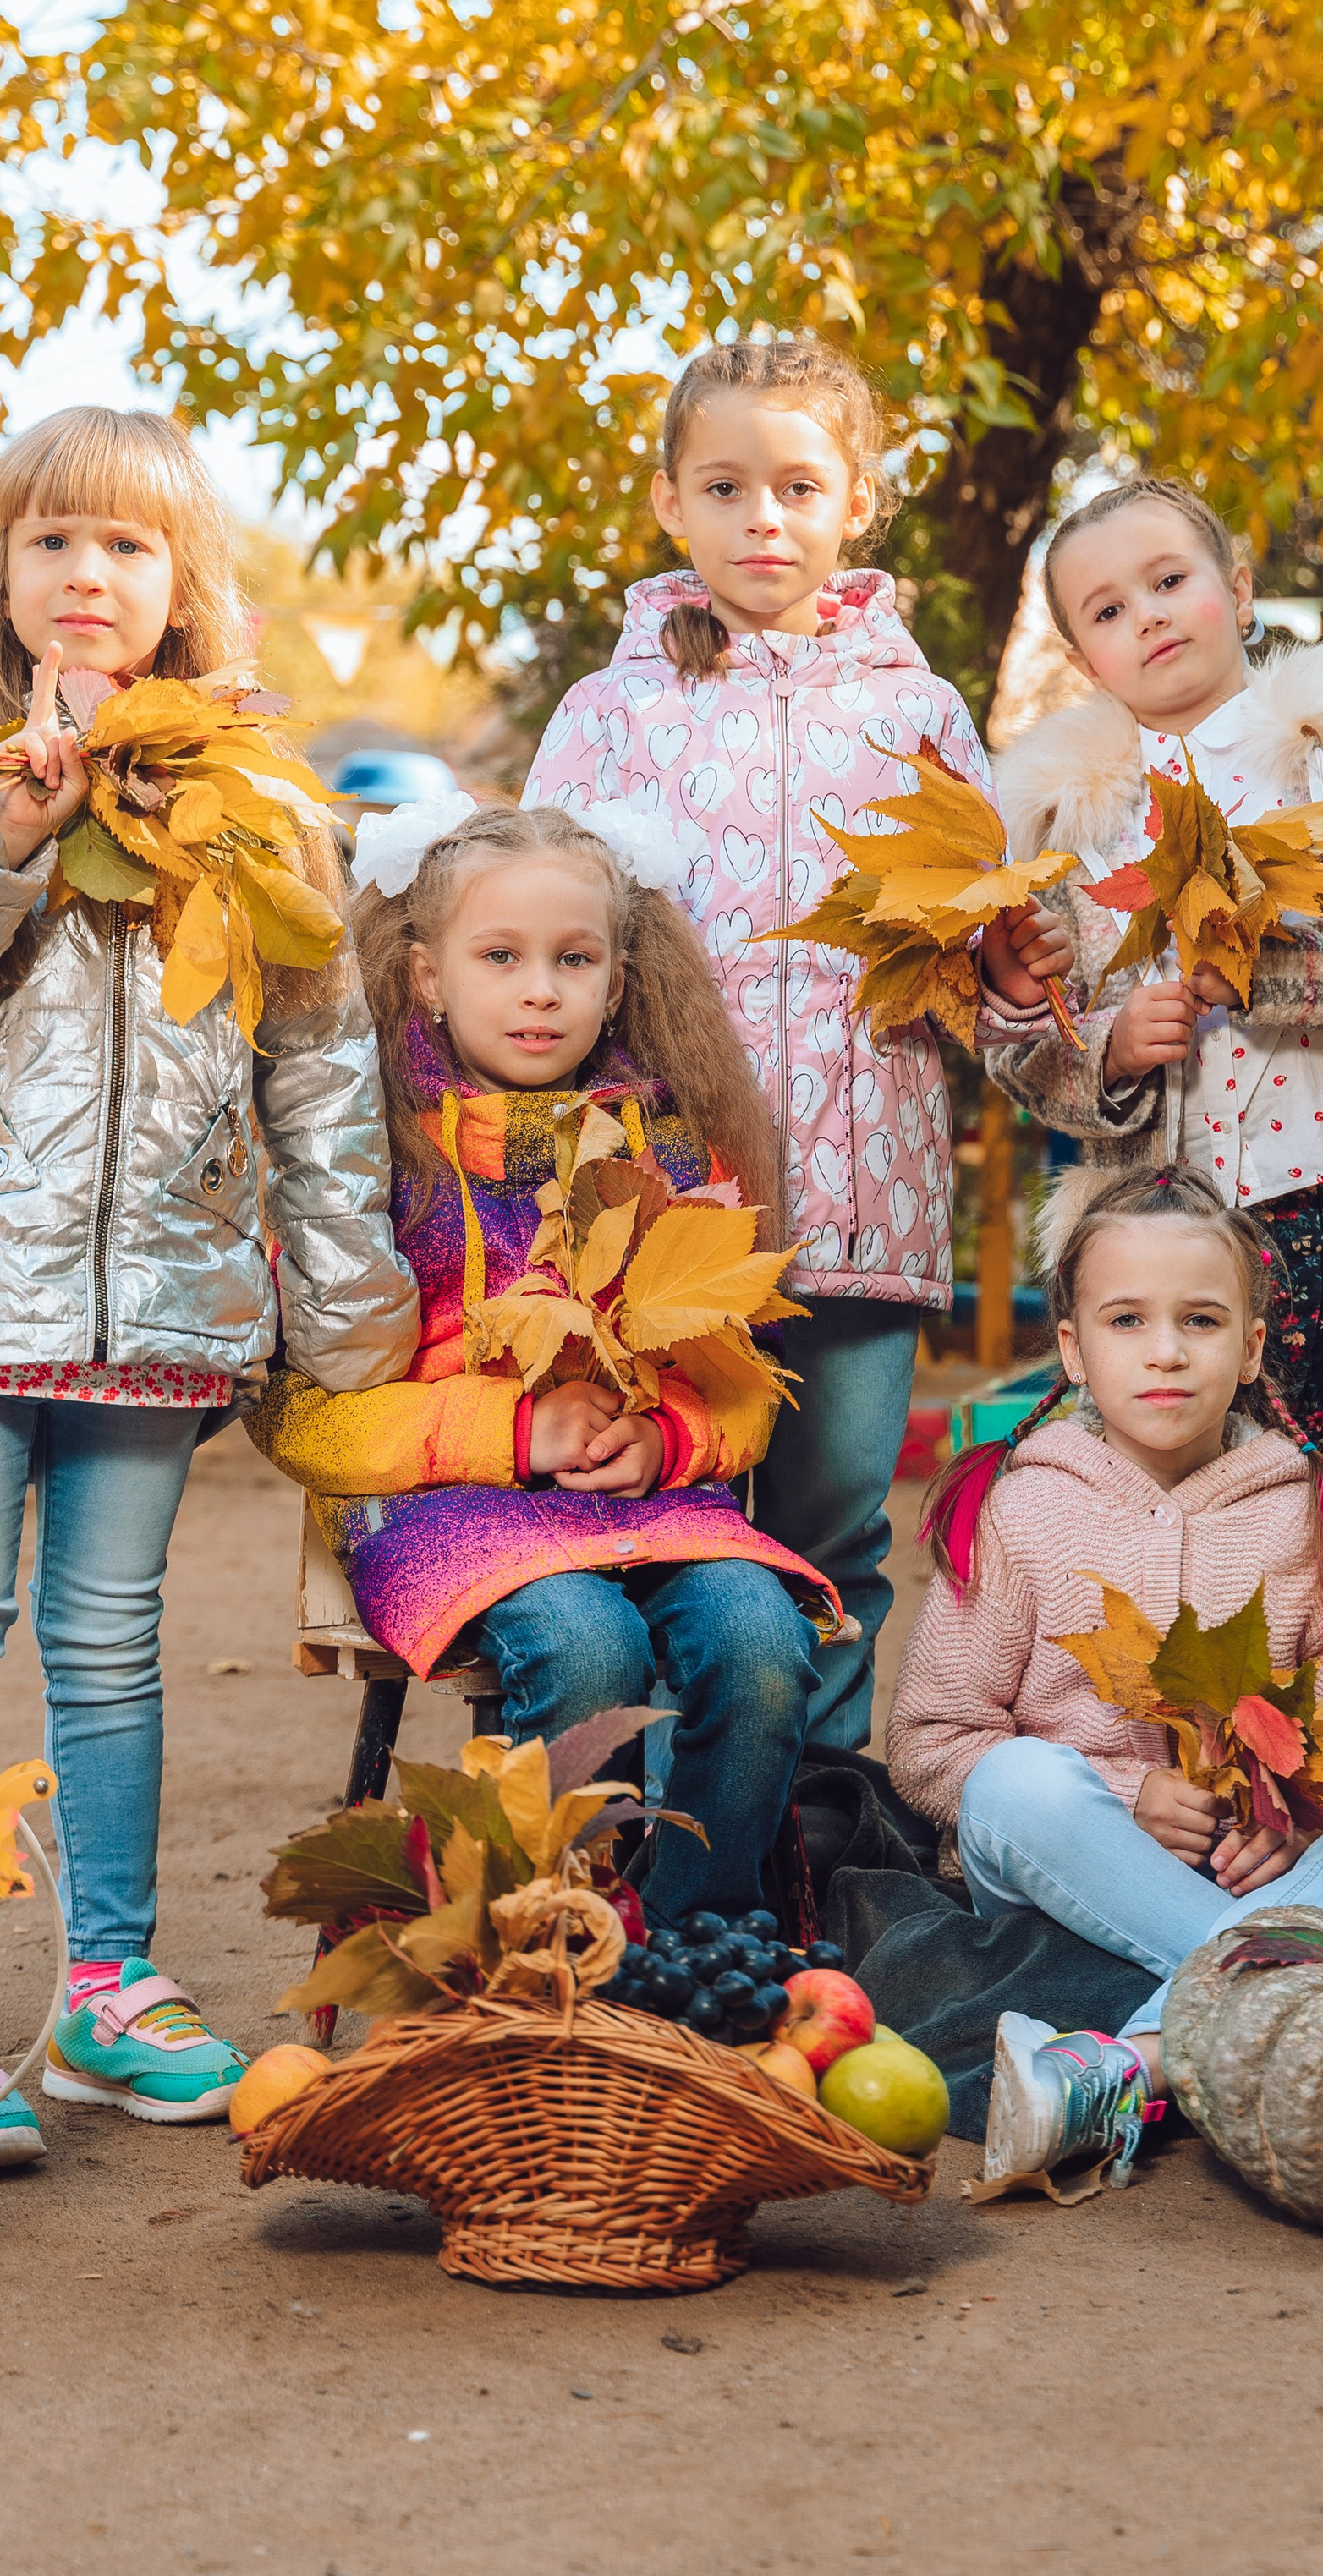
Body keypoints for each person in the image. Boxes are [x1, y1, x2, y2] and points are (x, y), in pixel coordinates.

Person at [0, 405, 416, 2169]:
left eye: (128, 545)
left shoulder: (266, 808)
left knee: (107, 1641)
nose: (87, 572)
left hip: (161, 1297)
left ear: (184, 587)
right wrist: (2, 839)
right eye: (52, 539)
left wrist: (350, 1307)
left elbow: (320, 1067)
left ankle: (106, 1989)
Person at [523, 332, 1069, 1750]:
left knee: (833, 1534)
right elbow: (532, 927)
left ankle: (818, 1812)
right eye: (725, 487)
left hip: (863, 1198)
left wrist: (1014, 974)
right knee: (662, 1520)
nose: (762, 518)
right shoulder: (609, 716)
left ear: (858, 503)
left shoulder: (919, 715)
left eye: (800, 487)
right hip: (659, 1209)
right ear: (671, 503)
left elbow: (978, 953)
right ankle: (668, 1824)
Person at [249, 796, 836, 1922]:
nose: (540, 990)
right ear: (427, 975)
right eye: (500, 956)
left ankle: (695, 1944)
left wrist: (670, 1436)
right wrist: (512, 1430)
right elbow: (296, 1414)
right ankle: (555, 1940)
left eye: (574, 959)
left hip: (656, 1500)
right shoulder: (364, 1156)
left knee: (760, 1639)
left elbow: (746, 1381)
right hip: (447, 1505)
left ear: (616, 984)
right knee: (584, 1646)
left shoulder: (677, 1149)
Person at [888, 1162, 1323, 2191]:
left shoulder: (1311, 1512)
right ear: (1073, 1349)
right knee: (1015, 1780)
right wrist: (1121, 1793)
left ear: (1252, 1348)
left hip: (1258, 1878)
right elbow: (929, 1747)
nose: (1166, 1352)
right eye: (1127, 1321)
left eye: (1200, 1321)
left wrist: (1293, 1818)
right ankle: (1268, 1999)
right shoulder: (1022, 1507)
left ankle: (1122, 2067)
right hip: (1065, 1862)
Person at [985, 477, 1323, 1466]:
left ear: (1241, 590)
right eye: (1107, 611)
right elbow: (1022, 1049)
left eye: (1169, 580)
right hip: (1169, 1236)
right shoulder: (1060, 823)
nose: (1148, 615)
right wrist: (1110, 1052)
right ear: (1083, 660)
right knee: (1197, 1483)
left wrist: (1275, 971)